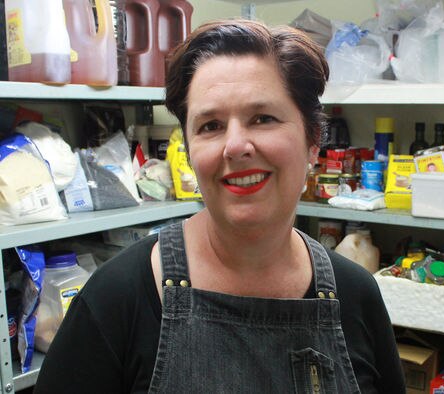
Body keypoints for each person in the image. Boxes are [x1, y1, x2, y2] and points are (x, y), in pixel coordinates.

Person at [35, 19, 405, 393]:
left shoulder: (356, 295)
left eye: (263, 118)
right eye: (210, 125)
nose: (235, 145)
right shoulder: (117, 299)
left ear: (313, 142)